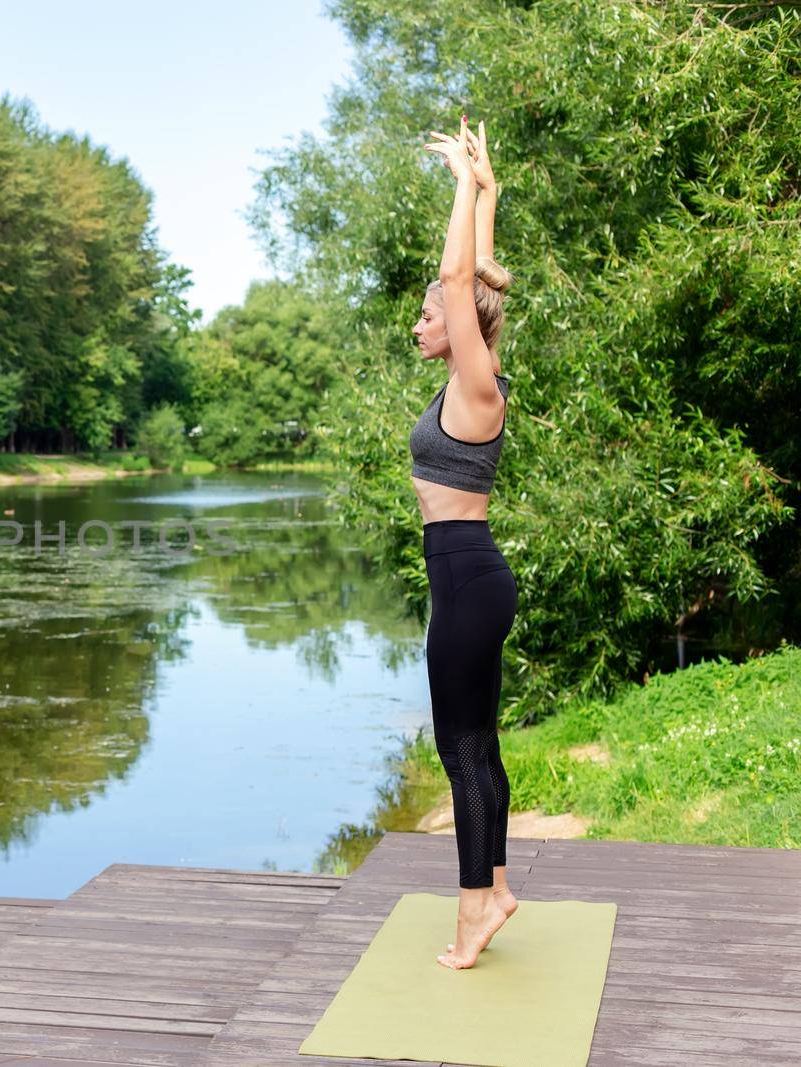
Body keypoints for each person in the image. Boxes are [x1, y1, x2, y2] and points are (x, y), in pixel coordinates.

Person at [413, 116, 519, 970]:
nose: (423, 323)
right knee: (478, 743)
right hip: (465, 579)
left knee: (459, 751)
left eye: (430, 315)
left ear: (460, 326)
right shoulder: (470, 375)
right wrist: (485, 193)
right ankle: (499, 889)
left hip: (469, 578)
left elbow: (459, 280)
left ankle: (471, 916)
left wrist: (457, 185)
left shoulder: (478, 384)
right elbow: (478, 277)